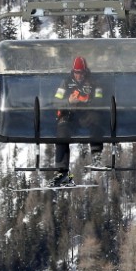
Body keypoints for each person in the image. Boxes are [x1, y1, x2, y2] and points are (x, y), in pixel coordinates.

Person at [51, 56, 104, 187]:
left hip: (87, 113)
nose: (78, 75)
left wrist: (88, 101)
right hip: (69, 115)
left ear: (85, 71)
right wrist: (68, 101)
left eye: (81, 72)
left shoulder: (94, 83)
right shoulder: (65, 83)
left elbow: (100, 100)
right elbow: (56, 101)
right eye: (76, 72)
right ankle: (62, 171)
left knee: (96, 119)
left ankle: (96, 157)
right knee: (62, 131)